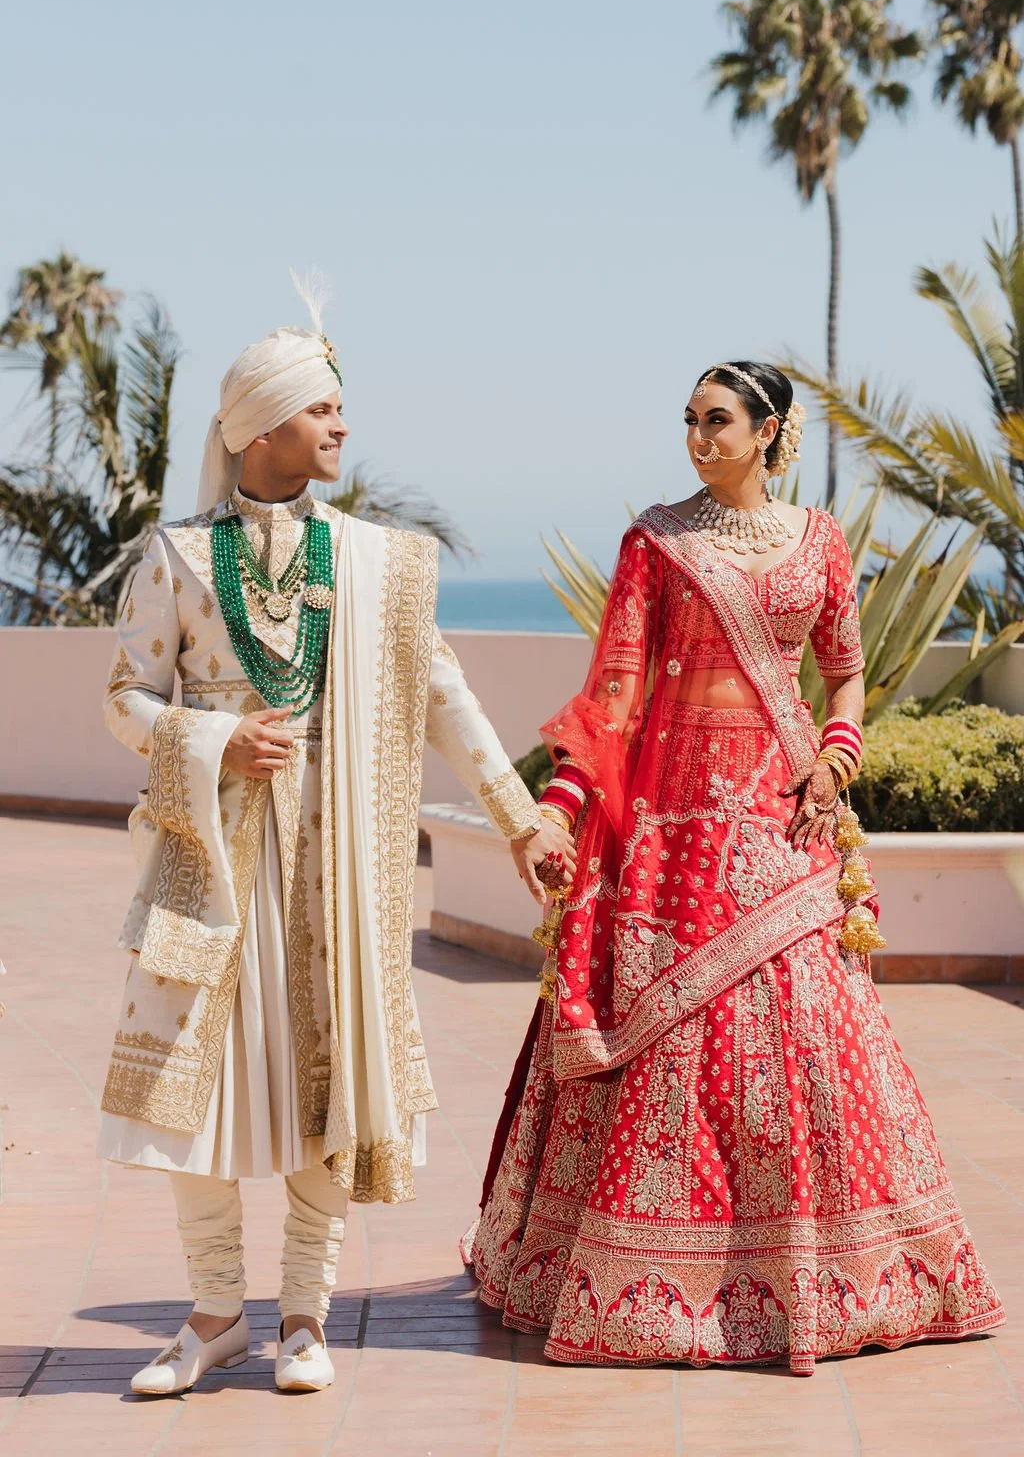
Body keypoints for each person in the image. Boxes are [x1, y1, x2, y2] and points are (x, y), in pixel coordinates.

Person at [467, 361, 1004, 1374]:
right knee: (667, 1052)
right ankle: (658, 1285)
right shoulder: (655, 544)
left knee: (812, 1034)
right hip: (672, 841)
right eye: (688, 421)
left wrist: (837, 758)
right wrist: (559, 807)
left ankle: (843, 1277)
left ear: (768, 432)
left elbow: (843, 671)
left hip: (785, 820)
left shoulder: (822, 542)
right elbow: (612, 697)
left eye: (717, 421)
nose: (697, 438)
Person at [97, 298, 574, 1395]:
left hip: (340, 860)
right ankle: (216, 1315)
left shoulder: (377, 564)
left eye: (339, 408)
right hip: (210, 859)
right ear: (260, 426)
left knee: (331, 1077)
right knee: (192, 1085)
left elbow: (442, 693)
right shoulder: (176, 557)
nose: (340, 427)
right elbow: (126, 697)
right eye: (321, 407)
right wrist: (214, 737)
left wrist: (518, 817)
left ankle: (303, 1318)